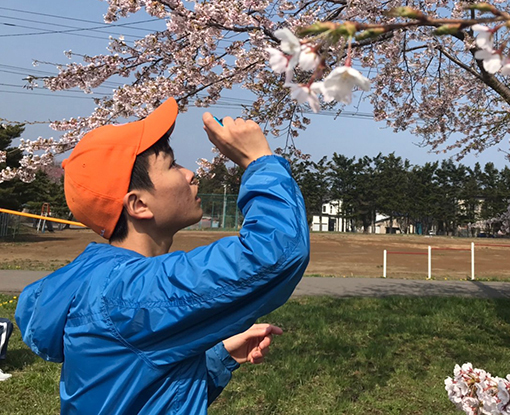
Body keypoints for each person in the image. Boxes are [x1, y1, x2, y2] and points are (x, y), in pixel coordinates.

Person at [15, 98, 310, 414]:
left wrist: (221, 355)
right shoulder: (129, 292)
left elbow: (143, 395)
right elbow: (274, 252)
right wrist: (259, 160)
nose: (190, 174)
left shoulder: (107, 284)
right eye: (172, 165)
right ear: (138, 204)